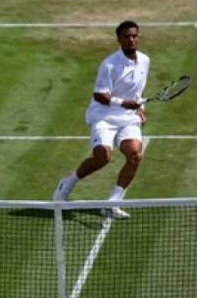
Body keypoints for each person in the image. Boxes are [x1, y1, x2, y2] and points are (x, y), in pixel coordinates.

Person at [51, 20, 150, 220]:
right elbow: (99, 95)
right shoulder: (109, 64)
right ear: (119, 39)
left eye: (134, 36)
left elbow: (138, 90)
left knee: (135, 156)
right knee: (102, 157)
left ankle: (113, 203)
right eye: (126, 37)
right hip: (103, 116)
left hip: (127, 118)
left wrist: (140, 108)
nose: (131, 40)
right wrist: (123, 103)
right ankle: (68, 183)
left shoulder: (145, 61)